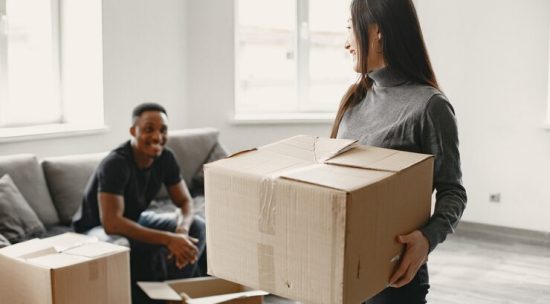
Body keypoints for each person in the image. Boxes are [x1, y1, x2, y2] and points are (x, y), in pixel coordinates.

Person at [333, 0, 467, 303]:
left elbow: (453, 191)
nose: (345, 44)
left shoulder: (430, 107)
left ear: (377, 30)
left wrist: (426, 239)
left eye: (350, 29)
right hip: (342, 270)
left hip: (393, 281)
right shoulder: (355, 98)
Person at [72, 102, 206, 304]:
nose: (157, 137)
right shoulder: (116, 164)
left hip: (135, 219)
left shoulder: (166, 158)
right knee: (121, 244)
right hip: (94, 230)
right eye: (149, 129)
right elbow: (112, 223)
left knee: (197, 225)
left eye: (163, 130)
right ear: (133, 131)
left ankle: (173, 293)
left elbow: (185, 201)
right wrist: (169, 239)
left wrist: (181, 232)